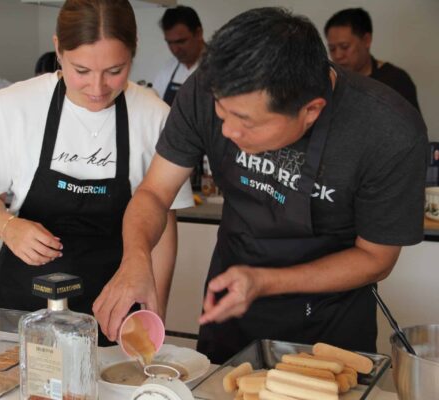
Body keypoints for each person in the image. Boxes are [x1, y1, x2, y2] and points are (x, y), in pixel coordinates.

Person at [93, 7, 428, 364]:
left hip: (330, 325)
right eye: (221, 114)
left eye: (246, 122)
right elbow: (155, 193)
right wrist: (135, 259)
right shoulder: (207, 87)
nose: (227, 131)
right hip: (231, 307)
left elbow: (376, 258)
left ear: (311, 111)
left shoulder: (387, 131)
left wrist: (265, 281)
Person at [0, 0, 193, 346]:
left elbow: (163, 224)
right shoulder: (15, 106)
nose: (98, 88)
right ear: (58, 49)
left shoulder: (154, 116)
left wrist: (154, 311)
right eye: (82, 70)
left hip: (114, 310)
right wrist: (8, 227)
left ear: (133, 51)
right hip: (23, 305)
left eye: (115, 70)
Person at [325, 8, 420, 111]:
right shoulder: (329, 82)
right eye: (332, 49)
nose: (338, 55)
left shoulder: (395, 80)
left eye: (345, 47)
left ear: (367, 40)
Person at [152, 5, 205, 106]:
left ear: (198, 33)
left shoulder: (220, 67)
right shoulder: (167, 70)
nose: (175, 50)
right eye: (169, 43)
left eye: (181, 41)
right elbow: (155, 105)